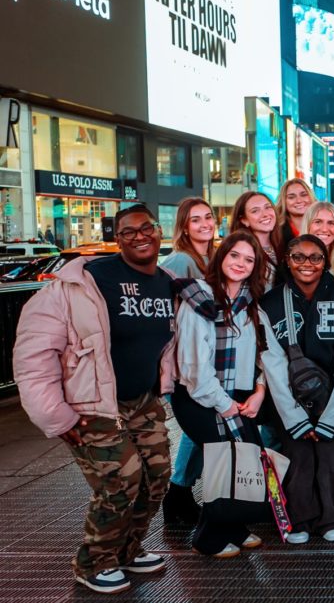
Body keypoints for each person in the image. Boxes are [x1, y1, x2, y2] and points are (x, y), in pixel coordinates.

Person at [14, 205, 176, 594]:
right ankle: (94, 561)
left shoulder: (167, 281)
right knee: (121, 480)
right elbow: (32, 354)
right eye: (127, 231)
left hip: (142, 402)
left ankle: (127, 551)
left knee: (156, 479)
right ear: (117, 238)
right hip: (92, 406)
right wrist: (58, 417)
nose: (138, 236)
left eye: (145, 228)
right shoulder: (83, 281)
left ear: (158, 231)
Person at [172, 231, 273, 558]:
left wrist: (259, 391)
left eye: (249, 259)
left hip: (239, 396)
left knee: (250, 461)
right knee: (225, 461)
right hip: (198, 398)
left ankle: (234, 526)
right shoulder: (199, 298)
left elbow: (263, 353)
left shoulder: (250, 302)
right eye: (235, 255)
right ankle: (208, 537)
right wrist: (225, 404)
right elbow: (193, 368)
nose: (240, 264)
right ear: (221, 256)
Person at [261, 235, 334, 543]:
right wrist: (295, 418)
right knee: (298, 457)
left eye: (315, 257)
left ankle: (332, 515)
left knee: (332, 456)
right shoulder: (270, 303)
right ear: (287, 261)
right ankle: (300, 519)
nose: (307, 264)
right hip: (289, 402)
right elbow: (272, 365)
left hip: (333, 400)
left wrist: (333, 416)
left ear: (325, 261)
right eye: (298, 257)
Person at [161, 197, 217, 526]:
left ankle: (181, 495)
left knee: (198, 431)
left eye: (208, 217)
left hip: (206, 361)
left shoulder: (210, 258)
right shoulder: (181, 260)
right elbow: (168, 312)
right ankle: (177, 494)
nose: (204, 224)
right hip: (186, 363)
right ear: (184, 226)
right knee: (196, 431)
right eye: (195, 220)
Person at [230, 191, 281, 288]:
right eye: (255, 211)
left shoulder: (282, 245)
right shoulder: (240, 253)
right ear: (244, 220)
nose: (265, 214)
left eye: (268, 207)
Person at [277, 178, 315, 249]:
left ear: (311, 197)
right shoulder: (276, 232)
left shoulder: (324, 226)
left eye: (303, 195)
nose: (299, 200)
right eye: (291, 197)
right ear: (284, 202)